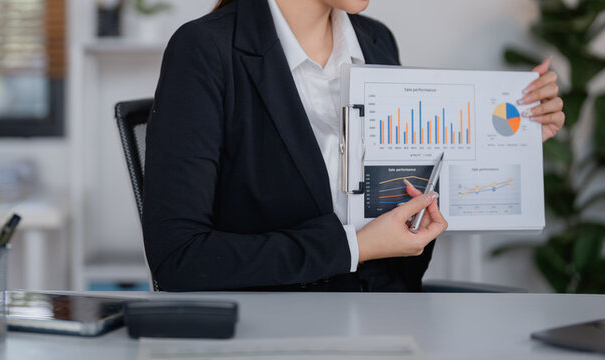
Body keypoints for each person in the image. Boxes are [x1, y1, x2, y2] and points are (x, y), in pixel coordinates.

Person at [142, 0, 564, 292]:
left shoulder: (376, 42)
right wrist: (355, 247)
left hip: (389, 318)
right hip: (278, 331)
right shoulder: (205, 50)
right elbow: (178, 258)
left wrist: (511, 142)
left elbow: (408, 194)